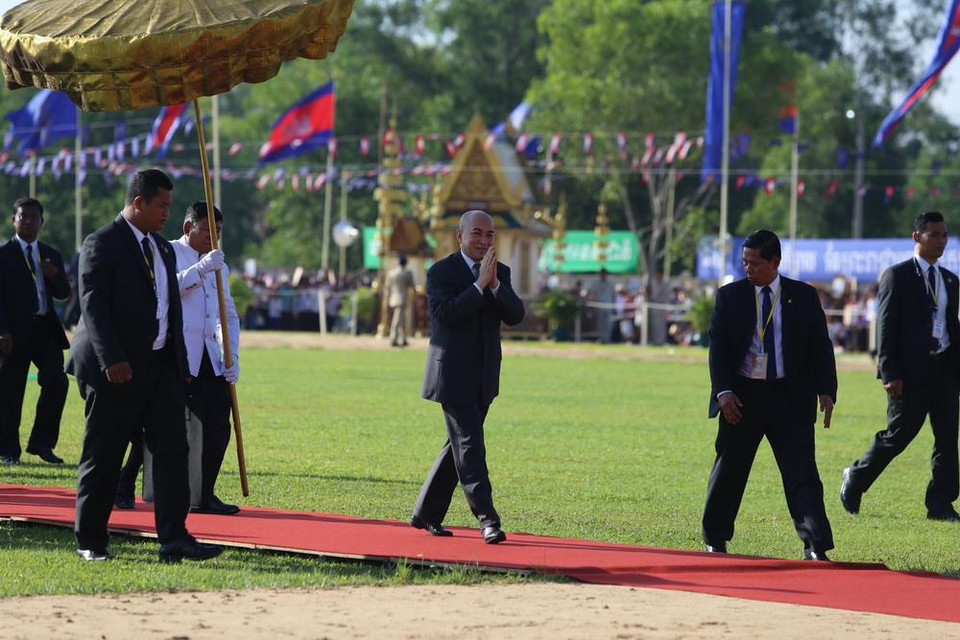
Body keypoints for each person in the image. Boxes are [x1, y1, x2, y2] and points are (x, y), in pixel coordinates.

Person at [66, 169, 223, 563]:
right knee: (104, 454)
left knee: (172, 450)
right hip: (115, 369)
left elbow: (170, 311)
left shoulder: (163, 249)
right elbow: (94, 306)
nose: (167, 214)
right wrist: (112, 359)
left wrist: (180, 364)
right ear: (138, 203)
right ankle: (91, 540)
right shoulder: (102, 242)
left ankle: (174, 537)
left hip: (160, 368)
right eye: (161, 206)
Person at [704, 229, 837, 561]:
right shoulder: (729, 296)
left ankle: (815, 545)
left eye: (754, 262)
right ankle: (715, 539)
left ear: (775, 262)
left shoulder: (803, 296)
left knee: (802, 472)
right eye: (744, 262)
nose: (747, 268)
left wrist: (826, 390)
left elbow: (821, 346)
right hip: (742, 398)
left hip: (789, 398)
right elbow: (717, 351)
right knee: (730, 468)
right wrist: (724, 393)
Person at [411, 210, 525, 544]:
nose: (484, 241)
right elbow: (445, 315)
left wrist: (495, 285)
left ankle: (426, 513)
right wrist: (478, 286)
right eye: (477, 233)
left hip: (485, 374)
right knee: (470, 445)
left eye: (490, 235)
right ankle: (487, 519)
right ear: (459, 236)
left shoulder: (498, 273)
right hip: (452, 374)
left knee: (457, 447)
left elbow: (516, 315)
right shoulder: (441, 272)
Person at [840, 211, 960, 522]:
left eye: (945, 235)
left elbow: (951, 327)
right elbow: (886, 327)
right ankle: (856, 477)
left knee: (947, 437)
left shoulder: (950, 280)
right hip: (909, 373)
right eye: (934, 234)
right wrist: (889, 371)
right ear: (916, 237)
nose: (941, 241)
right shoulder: (897, 275)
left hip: (944, 370)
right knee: (900, 434)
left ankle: (941, 504)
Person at [173, 201, 240, 515]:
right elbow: (165, 291)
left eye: (219, 233)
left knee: (218, 425)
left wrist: (231, 353)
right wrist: (199, 270)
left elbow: (227, 313)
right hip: (177, 355)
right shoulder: (168, 252)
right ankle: (128, 485)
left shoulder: (221, 266)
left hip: (210, 357)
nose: (214, 240)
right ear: (188, 228)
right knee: (164, 429)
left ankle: (204, 494)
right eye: (207, 231)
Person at [0, 197, 70, 465]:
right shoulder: (4, 254)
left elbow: (64, 294)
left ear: (42, 221)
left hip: (44, 331)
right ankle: (8, 449)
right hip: (13, 333)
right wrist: (3, 330)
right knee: (10, 390)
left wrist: (54, 275)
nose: (28, 221)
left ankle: (42, 443)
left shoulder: (50, 253)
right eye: (22, 216)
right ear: (13, 220)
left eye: (33, 217)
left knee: (57, 382)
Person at [386, 254, 415, 347]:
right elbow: (411, 286)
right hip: (403, 298)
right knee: (398, 320)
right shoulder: (408, 273)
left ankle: (403, 338)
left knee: (401, 319)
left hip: (393, 298)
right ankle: (393, 339)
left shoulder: (391, 273)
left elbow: (388, 287)